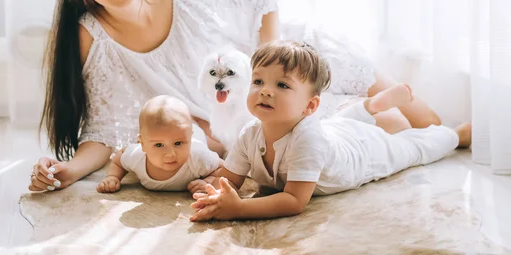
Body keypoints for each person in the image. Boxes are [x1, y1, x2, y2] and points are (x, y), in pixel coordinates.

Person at [29, 0, 444, 193]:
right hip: (239, 115)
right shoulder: (90, 34)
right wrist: (69, 171)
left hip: (280, 67)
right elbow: (102, 130)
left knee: (428, 119)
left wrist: (269, 67)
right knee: (393, 127)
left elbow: (260, 2)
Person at [189, 41, 471, 221]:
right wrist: (213, 190)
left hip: (361, 152)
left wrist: (238, 208)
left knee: (412, 148)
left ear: (310, 105)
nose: (265, 91)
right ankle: (371, 106)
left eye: (282, 85)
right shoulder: (249, 133)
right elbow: (231, 179)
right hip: (331, 131)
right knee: (338, 123)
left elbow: (293, 200)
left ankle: (455, 134)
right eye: (259, 81)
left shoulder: (306, 141)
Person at [97, 95, 221, 193]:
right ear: (142, 144)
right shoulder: (136, 156)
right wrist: (113, 177)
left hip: (197, 136)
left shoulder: (199, 157)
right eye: (159, 145)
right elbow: (119, 159)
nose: (170, 154)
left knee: (219, 147)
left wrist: (209, 181)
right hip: (174, 134)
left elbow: (224, 167)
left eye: (178, 143)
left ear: (189, 137)